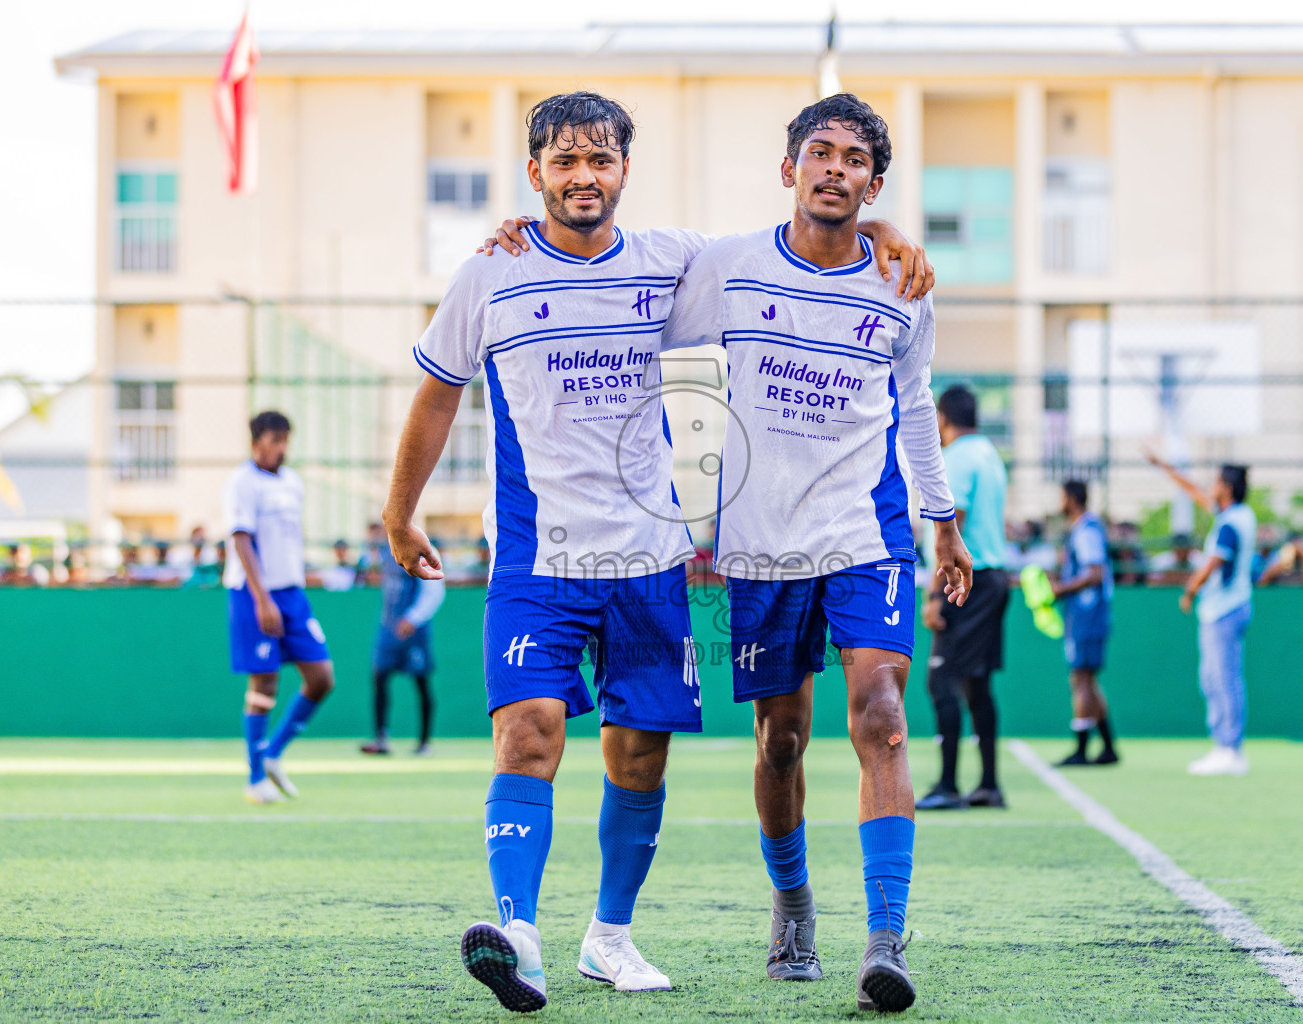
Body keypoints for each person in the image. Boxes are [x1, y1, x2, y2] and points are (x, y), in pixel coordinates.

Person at [389, 92, 928, 1013]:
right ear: (535, 173)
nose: (583, 177)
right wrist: (400, 513)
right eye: (565, 161)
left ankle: (609, 937)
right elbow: (439, 392)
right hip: (536, 559)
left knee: (639, 757)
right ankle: (519, 935)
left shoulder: (676, 260)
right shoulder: (490, 273)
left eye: (599, 160)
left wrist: (879, 228)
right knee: (529, 731)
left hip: (646, 559)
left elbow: (794, 243)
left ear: (624, 171)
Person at [662, 93, 970, 1014]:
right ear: (789, 167)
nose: (835, 168)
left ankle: (886, 938)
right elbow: (659, 337)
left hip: (866, 533)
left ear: (874, 182)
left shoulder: (904, 283)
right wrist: (694, 515)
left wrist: (943, 520)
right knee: (782, 740)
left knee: (882, 715)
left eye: (855, 159)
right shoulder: (729, 267)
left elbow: (914, 406)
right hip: (760, 540)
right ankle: (792, 906)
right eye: (820, 152)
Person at [224, 410, 336, 804]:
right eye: (275, 440)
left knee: (322, 678)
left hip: (292, 593)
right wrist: (262, 599)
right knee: (264, 683)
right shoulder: (242, 481)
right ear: (256, 442)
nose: (282, 448)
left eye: (286, 440)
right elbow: (241, 539)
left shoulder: (293, 482)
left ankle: (273, 752)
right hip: (253, 592)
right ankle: (256, 778)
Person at [915, 384, 1009, 811]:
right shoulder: (989, 455)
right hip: (993, 579)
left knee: (941, 680)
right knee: (976, 684)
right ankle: (988, 784)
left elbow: (952, 522)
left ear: (942, 418)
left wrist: (937, 592)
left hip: (967, 583)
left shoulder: (955, 458)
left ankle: (948, 785)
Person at [1145, 452, 1256, 776]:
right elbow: (1194, 491)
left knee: (1224, 678)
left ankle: (1230, 748)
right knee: (1213, 678)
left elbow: (1213, 563)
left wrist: (1190, 589)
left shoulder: (1231, 523)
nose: (1211, 486)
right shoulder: (1236, 515)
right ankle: (1224, 745)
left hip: (1225, 609)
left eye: (1217, 482)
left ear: (1227, 487)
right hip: (1222, 609)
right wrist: (1164, 466)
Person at [1050, 480, 1119, 766]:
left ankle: (1081, 748)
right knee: (1087, 679)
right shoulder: (1082, 529)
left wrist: (1061, 589)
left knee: (1080, 677)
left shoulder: (1086, 530)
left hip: (1088, 613)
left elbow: (1094, 574)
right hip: (1084, 613)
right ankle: (1108, 746)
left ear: (1071, 498)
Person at [361, 551, 444, 756]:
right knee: (379, 678)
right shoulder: (385, 551)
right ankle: (381, 738)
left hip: (414, 631)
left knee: (421, 683)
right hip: (389, 628)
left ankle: (424, 741)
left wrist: (413, 618)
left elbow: (435, 590)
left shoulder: (423, 548)